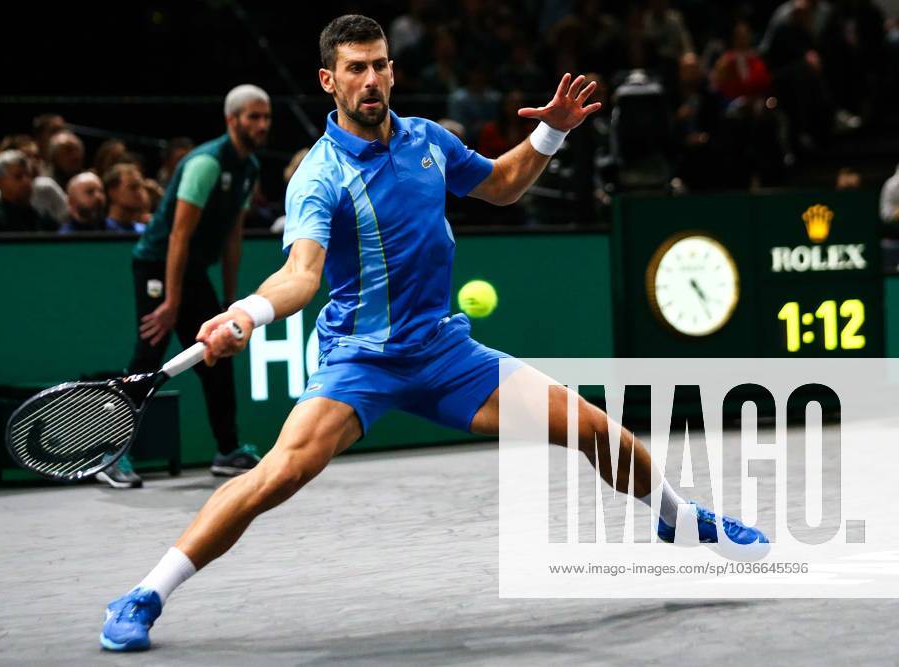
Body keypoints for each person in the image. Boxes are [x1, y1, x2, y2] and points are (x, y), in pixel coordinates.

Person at [100, 15, 769, 651]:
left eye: (380, 66)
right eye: (355, 68)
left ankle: (676, 515)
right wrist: (249, 311)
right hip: (361, 361)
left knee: (592, 425)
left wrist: (551, 134)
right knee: (278, 473)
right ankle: (143, 595)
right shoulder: (319, 175)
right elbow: (301, 274)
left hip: (446, 352)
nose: (371, 79)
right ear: (329, 81)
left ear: (392, 72)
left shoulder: (426, 139)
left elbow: (502, 185)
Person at [99, 84, 271, 490]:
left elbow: (232, 236)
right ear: (233, 120)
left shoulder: (249, 169)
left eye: (266, 117)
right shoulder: (206, 164)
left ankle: (228, 451)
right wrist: (172, 302)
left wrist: (231, 299)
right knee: (149, 356)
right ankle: (110, 455)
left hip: (192, 270)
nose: (262, 125)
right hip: (158, 264)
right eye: (253, 117)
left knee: (217, 352)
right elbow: (178, 235)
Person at [0, 150, 59, 233]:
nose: (27, 181)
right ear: (0, 182)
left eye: (28, 175)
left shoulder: (41, 216)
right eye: (18, 176)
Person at [103, 163, 148, 233]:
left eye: (141, 187)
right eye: (133, 187)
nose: (140, 193)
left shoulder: (145, 231)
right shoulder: (100, 230)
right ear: (112, 192)